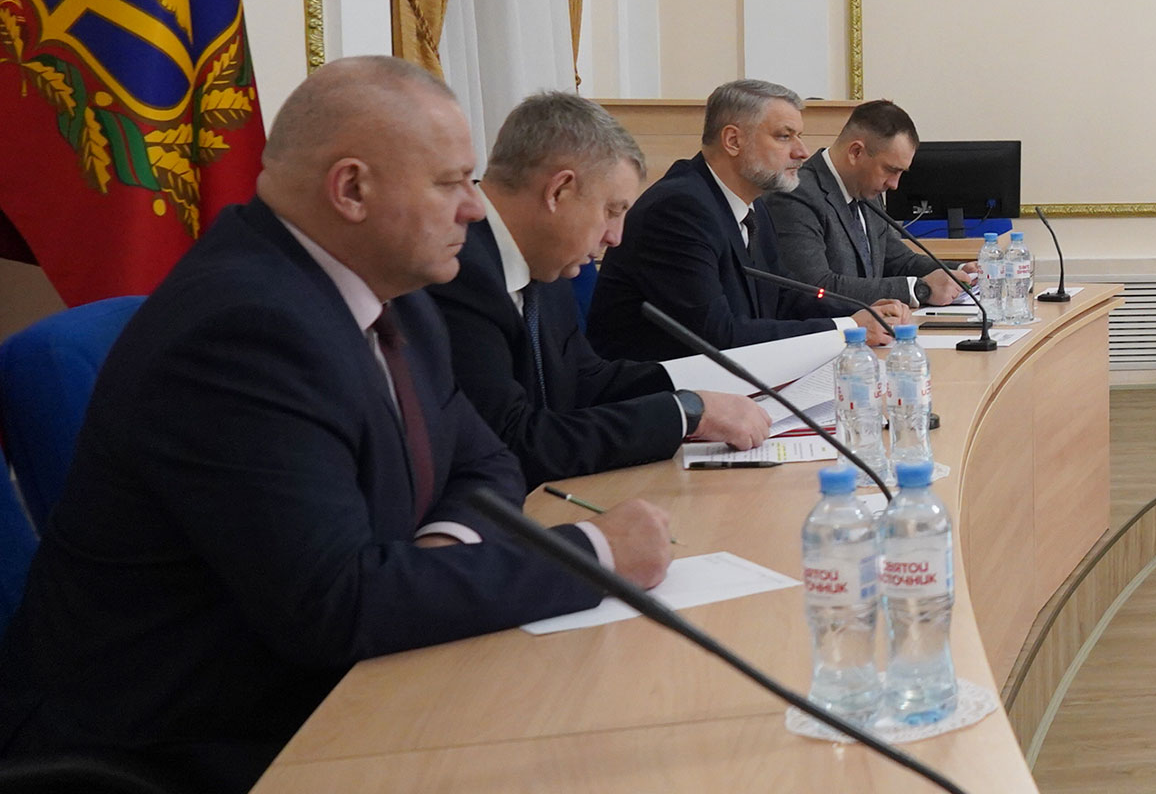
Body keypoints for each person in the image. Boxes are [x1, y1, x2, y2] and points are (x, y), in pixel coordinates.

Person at [0, 57, 675, 793]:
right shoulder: (241, 330)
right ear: (351, 189)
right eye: (450, 183)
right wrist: (596, 554)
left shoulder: (398, 295)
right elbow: (335, 606)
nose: (475, 209)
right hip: (183, 740)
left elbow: (486, 462)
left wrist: (437, 552)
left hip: (327, 679)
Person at [428, 92, 772, 488]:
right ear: (559, 191)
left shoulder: (547, 260)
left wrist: (715, 390)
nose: (615, 237)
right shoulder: (455, 271)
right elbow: (513, 442)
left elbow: (585, 380)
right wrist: (685, 413)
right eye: (612, 211)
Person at [588, 79, 905, 363]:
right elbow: (718, 337)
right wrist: (847, 327)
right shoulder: (678, 209)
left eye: (799, 137)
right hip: (661, 394)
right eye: (784, 137)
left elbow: (783, 297)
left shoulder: (754, 205)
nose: (802, 151)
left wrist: (862, 312)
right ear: (733, 141)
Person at [765, 99, 978, 308]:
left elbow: (898, 261)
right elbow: (815, 288)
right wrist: (917, 290)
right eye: (890, 170)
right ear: (856, 152)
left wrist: (960, 272)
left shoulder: (866, 190)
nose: (894, 184)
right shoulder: (796, 194)